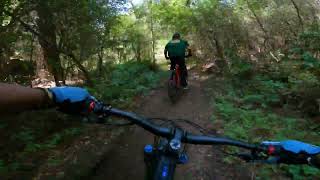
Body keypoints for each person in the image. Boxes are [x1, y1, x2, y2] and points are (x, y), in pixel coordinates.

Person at [0, 83, 319, 168]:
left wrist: (46, 96)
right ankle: (181, 81)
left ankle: (176, 78)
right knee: (182, 70)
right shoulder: (181, 45)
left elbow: (170, 52)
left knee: (175, 67)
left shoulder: (172, 45)